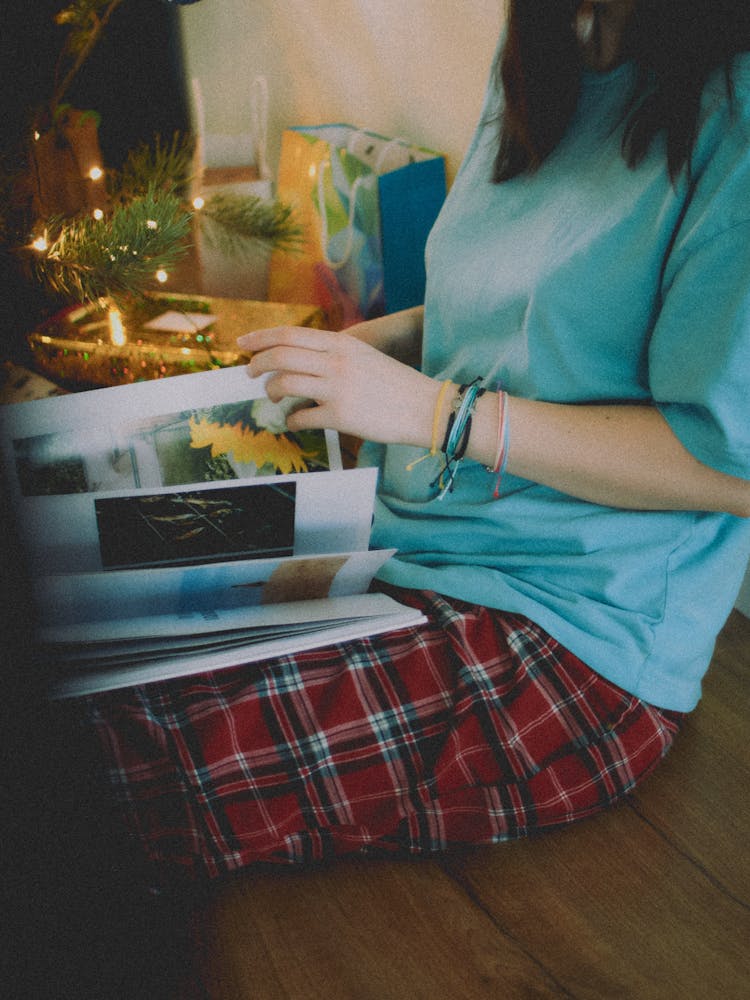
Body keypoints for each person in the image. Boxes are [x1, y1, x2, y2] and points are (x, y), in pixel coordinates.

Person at [73, 0, 750, 879]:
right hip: (393, 543)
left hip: (564, 634)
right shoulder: (542, 48)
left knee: (114, 765)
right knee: (81, 606)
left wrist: (439, 416)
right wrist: (361, 352)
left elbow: (724, 461)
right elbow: (514, 313)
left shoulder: (731, 113)